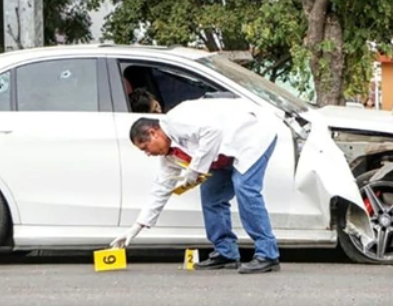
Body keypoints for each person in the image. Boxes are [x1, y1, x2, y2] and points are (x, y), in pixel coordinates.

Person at [110, 97, 281, 274]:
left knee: (245, 187)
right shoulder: (169, 157)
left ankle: (268, 254)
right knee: (211, 197)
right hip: (223, 152)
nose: (147, 154)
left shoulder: (177, 120)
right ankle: (226, 252)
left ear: (154, 133)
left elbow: (213, 132)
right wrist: (136, 227)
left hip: (252, 135)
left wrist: (195, 169)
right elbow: (160, 190)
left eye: (145, 147)